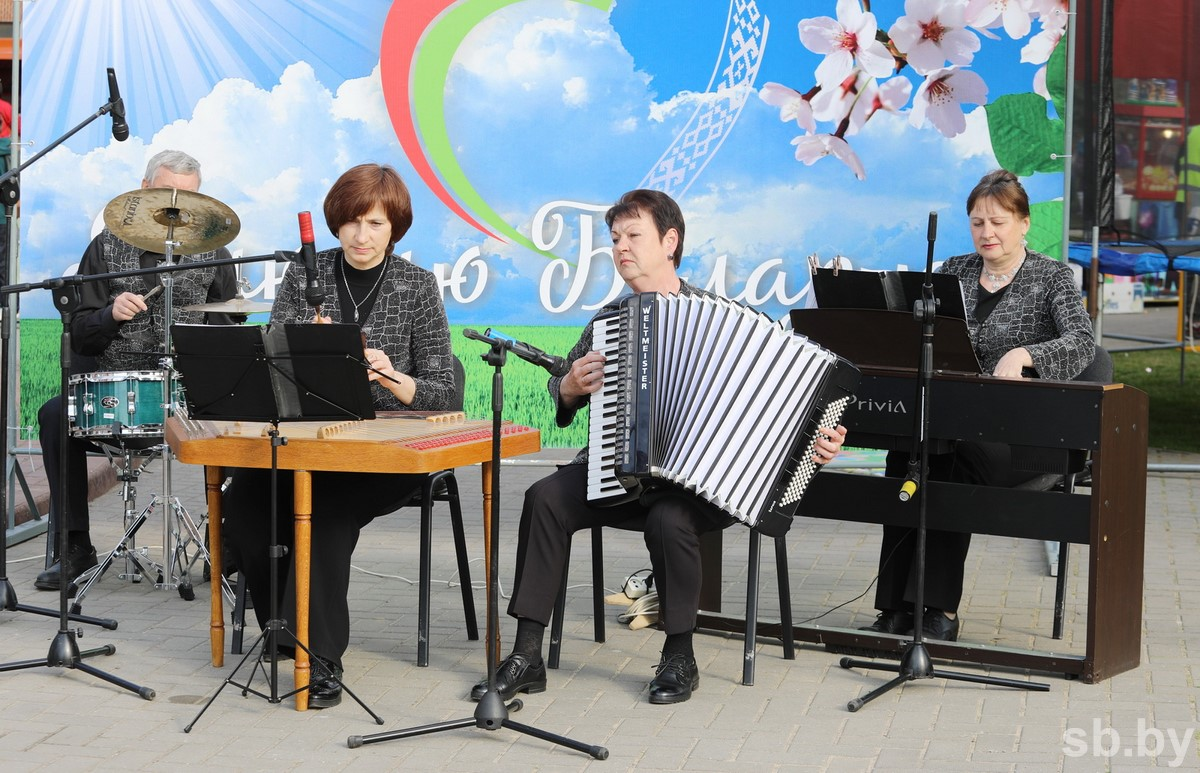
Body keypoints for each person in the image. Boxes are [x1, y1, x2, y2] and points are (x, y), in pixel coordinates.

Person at [470, 189, 848, 706]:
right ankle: (527, 655)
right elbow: (564, 394)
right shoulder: (608, 320)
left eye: (633, 236)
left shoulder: (726, 320)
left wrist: (815, 445)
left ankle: (679, 655)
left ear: (670, 242)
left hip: (705, 485)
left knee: (669, 519)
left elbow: (785, 400)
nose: (621, 247)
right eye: (615, 238)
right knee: (544, 498)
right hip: (615, 471)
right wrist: (568, 389)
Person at [221, 163, 455, 709]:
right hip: (308, 443)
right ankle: (284, 631)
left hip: (384, 455)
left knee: (321, 512)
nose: (361, 235)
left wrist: (388, 374)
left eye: (374, 223)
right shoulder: (307, 278)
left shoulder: (417, 286)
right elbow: (269, 363)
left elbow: (443, 390)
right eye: (351, 222)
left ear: (395, 226)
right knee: (247, 506)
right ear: (335, 224)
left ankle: (322, 660)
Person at [861, 169, 1095, 642]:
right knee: (909, 453)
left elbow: (1083, 343)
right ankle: (894, 607)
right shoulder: (952, 271)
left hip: (1022, 434)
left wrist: (1029, 354)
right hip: (951, 419)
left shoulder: (1052, 278)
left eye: (998, 222)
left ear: (1024, 223)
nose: (986, 233)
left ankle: (937, 608)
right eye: (976, 223)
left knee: (950, 459)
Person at [35, 149, 238, 592]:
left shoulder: (215, 252)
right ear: (144, 189)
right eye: (167, 193)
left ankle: (231, 546)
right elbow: (80, 334)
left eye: (189, 197)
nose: (177, 207)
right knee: (55, 415)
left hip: (190, 397)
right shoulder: (106, 246)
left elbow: (230, 327)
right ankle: (72, 546)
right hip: (117, 392)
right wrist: (109, 314)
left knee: (252, 413)